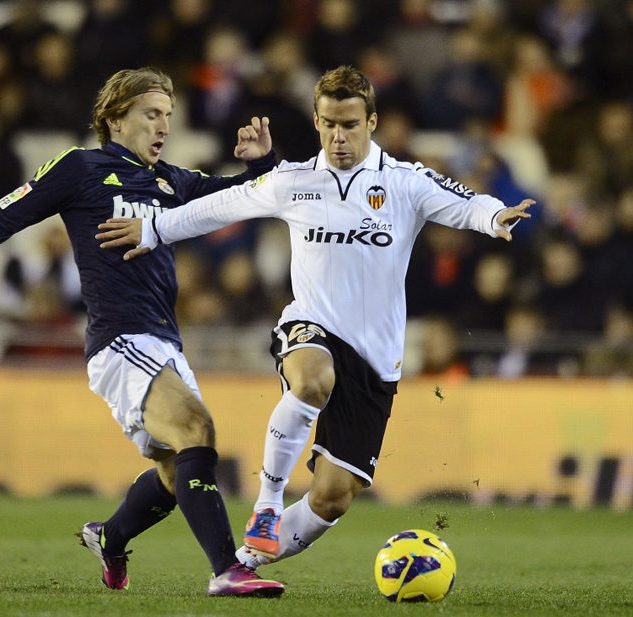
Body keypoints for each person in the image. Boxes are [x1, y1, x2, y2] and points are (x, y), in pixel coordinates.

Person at [97, 65, 533, 569]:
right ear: (316, 120)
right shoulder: (294, 180)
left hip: (375, 361)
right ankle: (265, 506)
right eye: (328, 124)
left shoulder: (405, 181)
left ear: (373, 122)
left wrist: (495, 216)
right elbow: (218, 208)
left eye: (349, 124)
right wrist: (152, 229)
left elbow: (464, 204)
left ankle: (243, 564)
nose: (337, 136)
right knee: (311, 379)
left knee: (332, 497)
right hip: (310, 327)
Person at [0, 67, 284, 597]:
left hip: (165, 340)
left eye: (168, 116)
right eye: (150, 114)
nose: (163, 126)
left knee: (172, 470)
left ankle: (110, 538)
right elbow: (4, 216)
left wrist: (265, 163)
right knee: (196, 429)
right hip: (120, 338)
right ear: (115, 117)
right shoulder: (81, 167)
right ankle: (227, 569)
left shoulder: (173, 180)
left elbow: (248, 197)